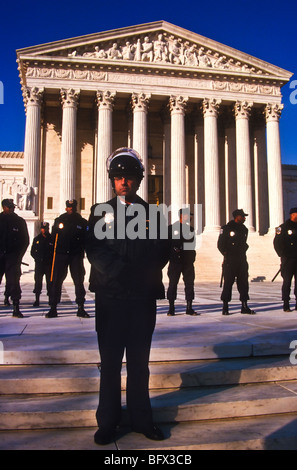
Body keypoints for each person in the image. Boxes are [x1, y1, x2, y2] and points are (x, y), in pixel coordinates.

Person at [85, 148, 170, 445]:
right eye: (119, 177)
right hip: (110, 298)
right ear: (112, 180)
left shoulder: (153, 214)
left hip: (141, 299)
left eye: (130, 177)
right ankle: (107, 422)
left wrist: (142, 274)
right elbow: (94, 250)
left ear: (138, 180)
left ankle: (141, 420)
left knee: (139, 363)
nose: (124, 182)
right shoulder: (99, 212)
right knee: (109, 363)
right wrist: (122, 271)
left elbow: (162, 250)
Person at [46, 200, 89, 318]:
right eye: (69, 207)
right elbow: (53, 237)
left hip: (76, 255)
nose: (71, 209)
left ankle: (81, 307)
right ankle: (53, 307)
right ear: (66, 208)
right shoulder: (59, 220)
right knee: (56, 281)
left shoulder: (82, 222)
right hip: (61, 254)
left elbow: (86, 239)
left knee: (79, 281)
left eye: (73, 207)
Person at [218, 209, 256, 315]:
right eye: (242, 216)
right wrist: (227, 254)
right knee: (228, 283)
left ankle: (244, 306)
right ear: (237, 217)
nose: (244, 218)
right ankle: (225, 307)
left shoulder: (245, 230)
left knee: (243, 283)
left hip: (241, 259)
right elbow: (220, 244)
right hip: (230, 260)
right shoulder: (226, 228)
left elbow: (244, 243)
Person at [0, 198, 29, 318]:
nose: (12, 208)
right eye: (10, 207)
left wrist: (19, 256)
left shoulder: (19, 221)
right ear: (4, 207)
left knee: (14, 283)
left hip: (13, 257)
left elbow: (25, 241)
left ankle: (16, 307)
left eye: (13, 206)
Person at [167, 208, 198, 316]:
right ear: (182, 216)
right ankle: (171, 308)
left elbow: (192, 245)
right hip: (176, 261)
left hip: (188, 261)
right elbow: (167, 245)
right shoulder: (171, 229)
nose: (190, 217)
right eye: (188, 215)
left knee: (189, 284)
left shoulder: (191, 229)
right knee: (173, 284)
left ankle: (189, 307)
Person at [273, 207, 297, 312]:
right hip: (288, 259)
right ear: (291, 215)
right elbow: (276, 243)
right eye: (295, 214)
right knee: (287, 282)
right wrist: (282, 254)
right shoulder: (281, 228)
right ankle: (286, 303)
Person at [30, 222, 54, 307]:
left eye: (45, 228)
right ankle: (37, 300)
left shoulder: (52, 239)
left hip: (49, 265)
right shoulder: (37, 239)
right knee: (38, 282)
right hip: (39, 264)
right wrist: (37, 258)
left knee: (50, 282)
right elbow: (32, 252)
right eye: (42, 228)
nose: (44, 230)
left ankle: (51, 299)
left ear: (48, 229)